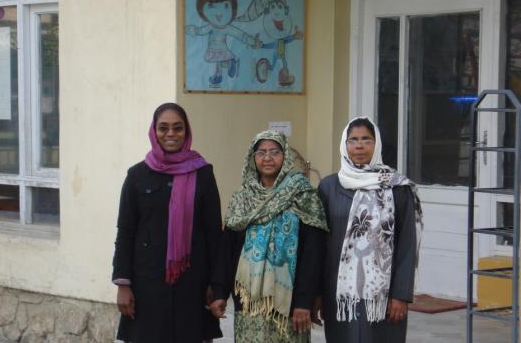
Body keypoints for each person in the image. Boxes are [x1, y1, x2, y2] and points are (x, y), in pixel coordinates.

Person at [111, 102, 224, 343]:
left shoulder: (203, 173)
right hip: (147, 282)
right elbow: (126, 231)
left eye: (177, 128)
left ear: (187, 131)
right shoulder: (137, 175)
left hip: (193, 282)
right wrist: (123, 283)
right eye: (163, 128)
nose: (171, 134)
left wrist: (217, 284)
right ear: (154, 131)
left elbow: (214, 233)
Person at [211, 130, 328, 343]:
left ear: (285, 156)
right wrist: (220, 292)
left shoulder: (303, 195)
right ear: (252, 157)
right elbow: (226, 251)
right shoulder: (242, 199)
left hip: (291, 307)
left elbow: (314, 253)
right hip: (248, 304)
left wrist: (304, 300)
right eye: (261, 152)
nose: (267, 158)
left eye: (274, 151)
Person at [317, 117, 423, 343]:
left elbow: (406, 245)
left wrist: (400, 295)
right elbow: (319, 245)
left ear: (377, 145)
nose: (359, 146)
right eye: (353, 140)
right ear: (344, 145)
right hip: (340, 293)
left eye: (367, 139)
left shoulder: (397, 187)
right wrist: (316, 293)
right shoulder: (329, 187)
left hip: (384, 296)